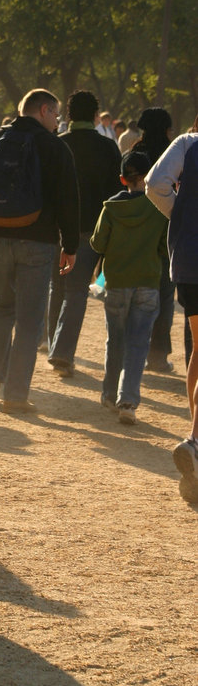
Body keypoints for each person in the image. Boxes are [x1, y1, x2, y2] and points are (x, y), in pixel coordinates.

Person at [0, 89, 80, 413]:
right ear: (44, 110)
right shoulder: (55, 147)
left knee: (0, 307)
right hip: (39, 242)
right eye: (56, 115)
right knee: (29, 318)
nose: (57, 122)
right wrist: (70, 245)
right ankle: (15, 393)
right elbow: (69, 200)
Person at [47, 91, 121, 377]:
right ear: (94, 116)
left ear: (68, 115)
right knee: (76, 291)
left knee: (57, 288)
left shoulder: (57, 144)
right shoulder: (108, 148)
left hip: (55, 228)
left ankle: (55, 345)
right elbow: (114, 194)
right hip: (91, 230)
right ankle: (62, 353)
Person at [90, 151, 167, 426]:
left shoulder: (110, 207)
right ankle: (128, 400)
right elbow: (163, 247)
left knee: (116, 340)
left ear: (123, 179)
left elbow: (98, 244)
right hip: (147, 281)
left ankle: (110, 393)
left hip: (117, 282)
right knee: (138, 344)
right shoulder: (159, 208)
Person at [145, 119, 198, 502]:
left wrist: (181, 215)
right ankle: (195, 439)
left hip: (189, 259)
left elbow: (154, 185)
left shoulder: (187, 143)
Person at [132, 107, 174, 372]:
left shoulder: (133, 155)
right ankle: (158, 355)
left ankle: (132, 349)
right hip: (166, 233)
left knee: (135, 293)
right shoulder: (173, 155)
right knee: (165, 296)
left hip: (135, 232)